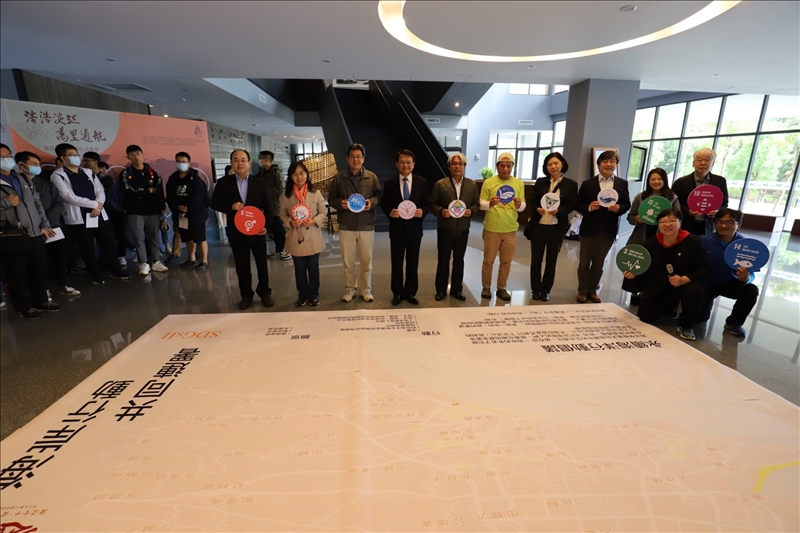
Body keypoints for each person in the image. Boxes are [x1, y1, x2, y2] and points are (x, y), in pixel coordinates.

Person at [622, 209, 710, 341]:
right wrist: (632, 274)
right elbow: (643, 267)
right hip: (659, 284)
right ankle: (670, 307)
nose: (667, 224)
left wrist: (684, 279)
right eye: (663, 221)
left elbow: (705, 267)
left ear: (680, 222)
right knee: (646, 316)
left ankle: (686, 325)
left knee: (695, 291)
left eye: (672, 221)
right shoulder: (651, 243)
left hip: (684, 285)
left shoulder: (693, 241)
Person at [50, 143, 129, 285]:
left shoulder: (87, 172)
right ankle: (95, 274)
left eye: (76, 154)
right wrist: (94, 205)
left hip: (98, 214)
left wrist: (99, 205)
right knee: (87, 247)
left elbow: (100, 190)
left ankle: (116, 270)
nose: (76, 157)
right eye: (71, 155)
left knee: (109, 242)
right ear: (62, 157)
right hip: (79, 217)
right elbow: (67, 196)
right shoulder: (57, 175)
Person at [0, 144, 60, 319]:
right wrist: (7, 202)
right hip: (13, 234)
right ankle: (24, 307)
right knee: (17, 273)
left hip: (35, 232)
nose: (6, 159)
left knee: (39, 268)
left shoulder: (21, 178)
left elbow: (37, 203)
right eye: (1, 157)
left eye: (7, 155)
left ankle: (41, 301)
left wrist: (44, 224)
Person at [211, 149, 274, 310]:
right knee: (241, 265)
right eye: (236, 160)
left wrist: (266, 226)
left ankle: (265, 292)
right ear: (231, 163)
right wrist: (231, 206)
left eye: (243, 160)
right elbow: (214, 203)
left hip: (257, 230)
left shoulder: (259, 183)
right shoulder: (224, 183)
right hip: (236, 231)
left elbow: (269, 207)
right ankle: (246, 295)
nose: (240, 163)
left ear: (249, 163)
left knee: (261, 264)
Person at [17, 151, 80, 298]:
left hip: (53, 227)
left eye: (38, 164)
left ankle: (63, 284)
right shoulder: (17, 184)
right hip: (33, 230)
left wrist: (47, 224)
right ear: (21, 165)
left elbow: (59, 204)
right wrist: (40, 225)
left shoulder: (46, 183)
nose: (37, 167)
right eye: (33, 164)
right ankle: (43, 289)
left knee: (59, 257)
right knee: (38, 262)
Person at [328, 143, 382, 302]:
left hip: (366, 224)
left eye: (359, 156)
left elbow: (379, 196)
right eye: (352, 156)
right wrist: (340, 203)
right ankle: (350, 289)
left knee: (367, 261)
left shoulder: (371, 177)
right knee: (348, 261)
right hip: (346, 225)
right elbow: (331, 198)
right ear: (347, 158)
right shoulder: (339, 178)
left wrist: (371, 202)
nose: (355, 159)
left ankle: (366, 289)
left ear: (363, 159)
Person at [576, 150, 631, 303]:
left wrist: (619, 208)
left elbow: (627, 204)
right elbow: (578, 204)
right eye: (605, 161)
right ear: (599, 164)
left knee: (599, 263)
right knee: (584, 263)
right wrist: (589, 207)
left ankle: (592, 290)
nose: (608, 164)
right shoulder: (588, 184)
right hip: (589, 229)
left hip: (608, 229)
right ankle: (582, 290)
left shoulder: (622, 183)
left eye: (612, 161)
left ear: (616, 164)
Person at [697, 208, 760, 337]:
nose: (724, 226)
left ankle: (734, 323)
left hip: (730, 283)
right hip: (706, 284)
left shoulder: (747, 247)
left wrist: (746, 278)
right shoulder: (703, 241)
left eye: (729, 222)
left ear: (739, 225)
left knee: (751, 290)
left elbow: (752, 274)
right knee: (699, 319)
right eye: (720, 222)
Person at [381, 149, 429, 305]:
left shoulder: (421, 182)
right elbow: (384, 204)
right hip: (397, 230)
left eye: (408, 162)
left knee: (413, 263)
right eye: (402, 162)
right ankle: (397, 293)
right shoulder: (390, 183)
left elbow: (426, 203)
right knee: (396, 263)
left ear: (413, 164)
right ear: (397, 164)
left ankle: (411, 292)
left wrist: (423, 211)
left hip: (415, 230)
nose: (405, 165)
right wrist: (390, 212)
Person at [527, 152, 578, 302]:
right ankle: (535, 289)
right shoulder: (540, 182)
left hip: (557, 227)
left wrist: (559, 210)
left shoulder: (571, 184)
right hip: (539, 225)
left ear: (562, 164)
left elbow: (572, 204)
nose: (553, 167)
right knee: (536, 259)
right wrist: (537, 209)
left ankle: (546, 290)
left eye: (556, 163)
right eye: (549, 164)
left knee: (551, 260)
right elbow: (532, 200)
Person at [625, 168, 680, 304]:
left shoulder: (672, 198)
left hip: (662, 238)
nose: (656, 182)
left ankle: (646, 292)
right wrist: (637, 220)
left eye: (659, 179)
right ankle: (634, 292)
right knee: (637, 263)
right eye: (653, 179)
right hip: (641, 236)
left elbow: (679, 218)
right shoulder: (640, 197)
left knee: (655, 265)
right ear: (648, 181)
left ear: (664, 181)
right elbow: (630, 217)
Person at [430, 152, 480, 301]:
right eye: (454, 164)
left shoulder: (471, 185)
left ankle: (457, 290)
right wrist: (441, 211)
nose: (457, 166)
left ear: (464, 166)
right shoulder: (440, 184)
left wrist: (472, 211)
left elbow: (476, 203)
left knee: (459, 260)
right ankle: (440, 290)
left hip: (463, 229)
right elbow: (433, 204)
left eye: (460, 164)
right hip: (445, 228)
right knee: (443, 260)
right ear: (449, 166)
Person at [479, 152, 526, 301]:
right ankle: (486, 287)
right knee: (488, 261)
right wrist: (490, 204)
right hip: (492, 228)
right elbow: (481, 204)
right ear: (497, 166)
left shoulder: (519, 183)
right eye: (502, 166)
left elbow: (522, 206)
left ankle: (502, 288)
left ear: (512, 167)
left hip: (510, 229)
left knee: (506, 262)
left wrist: (519, 205)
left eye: (508, 166)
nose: (505, 169)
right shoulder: (489, 182)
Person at [279, 161, 327, 307]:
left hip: (312, 235)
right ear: (290, 176)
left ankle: (314, 294)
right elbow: (282, 215)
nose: (299, 177)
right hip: (296, 236)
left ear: (307, 174)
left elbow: (323, 212)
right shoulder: (286, 195)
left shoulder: (315, 193)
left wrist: (313, 221)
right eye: (295, 174)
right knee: (299, 269)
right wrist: (290, 222)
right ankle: (302, 294)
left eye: (301, 173)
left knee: (313, 268)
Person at [119, 144, 169, 276]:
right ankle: (144, 263)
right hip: (135, 211)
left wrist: (143, 193)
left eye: (138, 154)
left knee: (154, 237)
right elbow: (128, 192)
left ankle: (156, 261)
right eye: (132, 155)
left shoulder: (153, 172)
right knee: (139, 238)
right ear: (128, 157)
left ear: (142, 155)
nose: (136, 157)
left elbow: (158, 191)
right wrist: (147, 191)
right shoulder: (126, 173)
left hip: (153, 210)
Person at [82, 153, 133, 267]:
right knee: (100, 240)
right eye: (83, 161)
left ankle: (122, 256)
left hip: (112, 211)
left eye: (87, 161)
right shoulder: (83, 178)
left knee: (116, 237)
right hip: (93, 212)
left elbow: (106, 195)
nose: (84, 163)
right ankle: (103, 262)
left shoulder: (106, 179)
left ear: (95, 162)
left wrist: (122, 208)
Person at [166, 152, 209, 271]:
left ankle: (204, 261)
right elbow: (170, 196)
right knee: (187, 237)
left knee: (200, 238)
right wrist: (178, 207)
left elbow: (198, 197)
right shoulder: (173, 178)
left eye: (184, 162)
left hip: (196, 214)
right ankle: (192, 259)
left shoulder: (195, 178)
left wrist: (187, 209)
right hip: (180, 214)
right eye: (179, 161)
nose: (181, 164)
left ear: (189, 163)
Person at [672, 148, 729, 236]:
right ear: (693, 163)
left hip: (708, 225)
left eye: (707, 160)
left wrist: (717, 211)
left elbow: (724, 203)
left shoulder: (720, 181)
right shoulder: (680, 182)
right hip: (685, 225)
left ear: (713, 163)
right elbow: (674, 204)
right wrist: (688, 211)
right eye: (699, 160)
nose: (703, 163)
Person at [258, 150, 290, 260]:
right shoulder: (263, 173)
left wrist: (265, 191)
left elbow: (281, 188)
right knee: (274, 230)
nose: (259, 161)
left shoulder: (276, 172)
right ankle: (279, 249)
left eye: (261, 158)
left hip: (276, 205)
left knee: (279, 228)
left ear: (266, 160)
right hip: (267, 206)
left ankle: (289, 249)